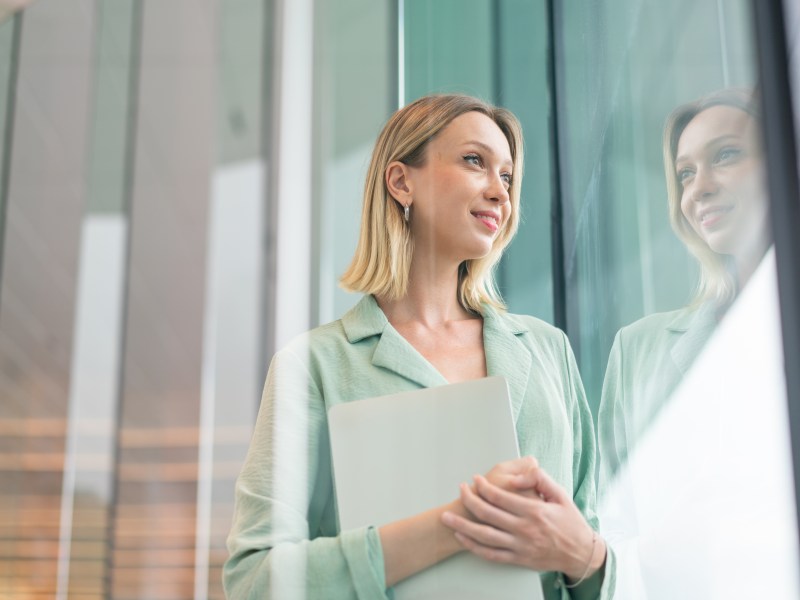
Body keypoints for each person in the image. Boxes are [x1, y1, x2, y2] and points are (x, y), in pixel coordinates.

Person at [224, 94, 612, 599]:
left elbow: (598, 551)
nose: (500, 191)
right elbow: (254, 580)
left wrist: (585, 555)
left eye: (509, 177)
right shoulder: (314, 366)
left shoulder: (547, 350)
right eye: (475, 161)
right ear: (401, 181)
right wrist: (459, 524)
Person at [598, 88, 771, 489]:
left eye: (725, 155)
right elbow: (612, 518)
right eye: (685, 173)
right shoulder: (637, 350)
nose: (698, 189)